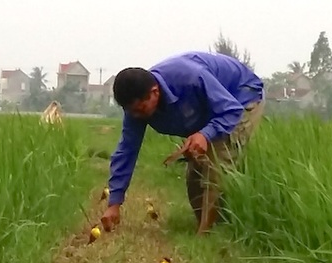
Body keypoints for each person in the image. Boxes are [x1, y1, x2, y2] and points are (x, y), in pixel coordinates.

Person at [100, 51, 265, 235]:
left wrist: (205, 134)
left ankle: (207, 234)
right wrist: (114, 203)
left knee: (217, 164)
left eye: (141, 109)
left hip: (241, 97)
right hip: (210, 109)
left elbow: (231, 110)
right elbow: (127, 150)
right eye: (132, 112)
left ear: (154, 92)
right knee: (196, 172)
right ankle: (212, 225)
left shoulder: (191, 78)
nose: (137, 116)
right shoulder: (136, 107)